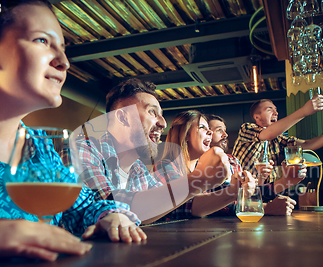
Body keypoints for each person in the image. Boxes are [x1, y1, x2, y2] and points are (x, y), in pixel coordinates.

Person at [0, 0, 144, 261]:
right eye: (42, 41)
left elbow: (83, 206)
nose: (64, 62)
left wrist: (110, 216)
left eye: (62, 47)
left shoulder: (41, 149)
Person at [75, 79, 229, 224]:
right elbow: (110, 206)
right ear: (123, 118)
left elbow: (179, 206)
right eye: (152, 112)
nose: (163, 123)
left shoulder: (138, 169)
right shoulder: (85, 150)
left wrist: (234, 192)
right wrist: (199, 179)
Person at [232, 97, 323, 183]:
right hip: (239, 192)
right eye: (269, 110)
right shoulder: (247, 129)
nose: (276, 113)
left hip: (263, 193)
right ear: (257, 117)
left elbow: (307, 144)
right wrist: (304, 112)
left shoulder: (278, 139)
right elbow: (267, 135)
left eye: (276, 110)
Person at [153, 110, 256, 219]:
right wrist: (234, 193)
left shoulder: (203, 167)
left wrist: (242, 186)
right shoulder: (165, 166)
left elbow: (218, 200)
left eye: (209, 128)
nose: (210, 132)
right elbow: (182, 204)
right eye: (202, 127)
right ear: (185, 135)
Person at [208, 114, 305, 215]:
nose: (225, 134)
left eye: (225, 130)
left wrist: (286, 181)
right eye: (219, 130)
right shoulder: (198, 162)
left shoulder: (233, 160)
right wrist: (265, 208)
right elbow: (208, 205)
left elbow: (246, 195)